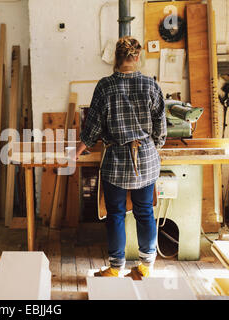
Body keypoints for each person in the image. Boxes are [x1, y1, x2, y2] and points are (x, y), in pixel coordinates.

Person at [75, 36, 167, 278]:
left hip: (116, 160)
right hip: (145, 159)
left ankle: (116, 269)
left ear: (115, 59)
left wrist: (75, 153)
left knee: (115, 214)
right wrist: (152, 147)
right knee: (145, 211)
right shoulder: (151, 85)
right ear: (137, 58)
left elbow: (92, 129)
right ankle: (146, 267)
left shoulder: (105, 86)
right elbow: (161, 128)